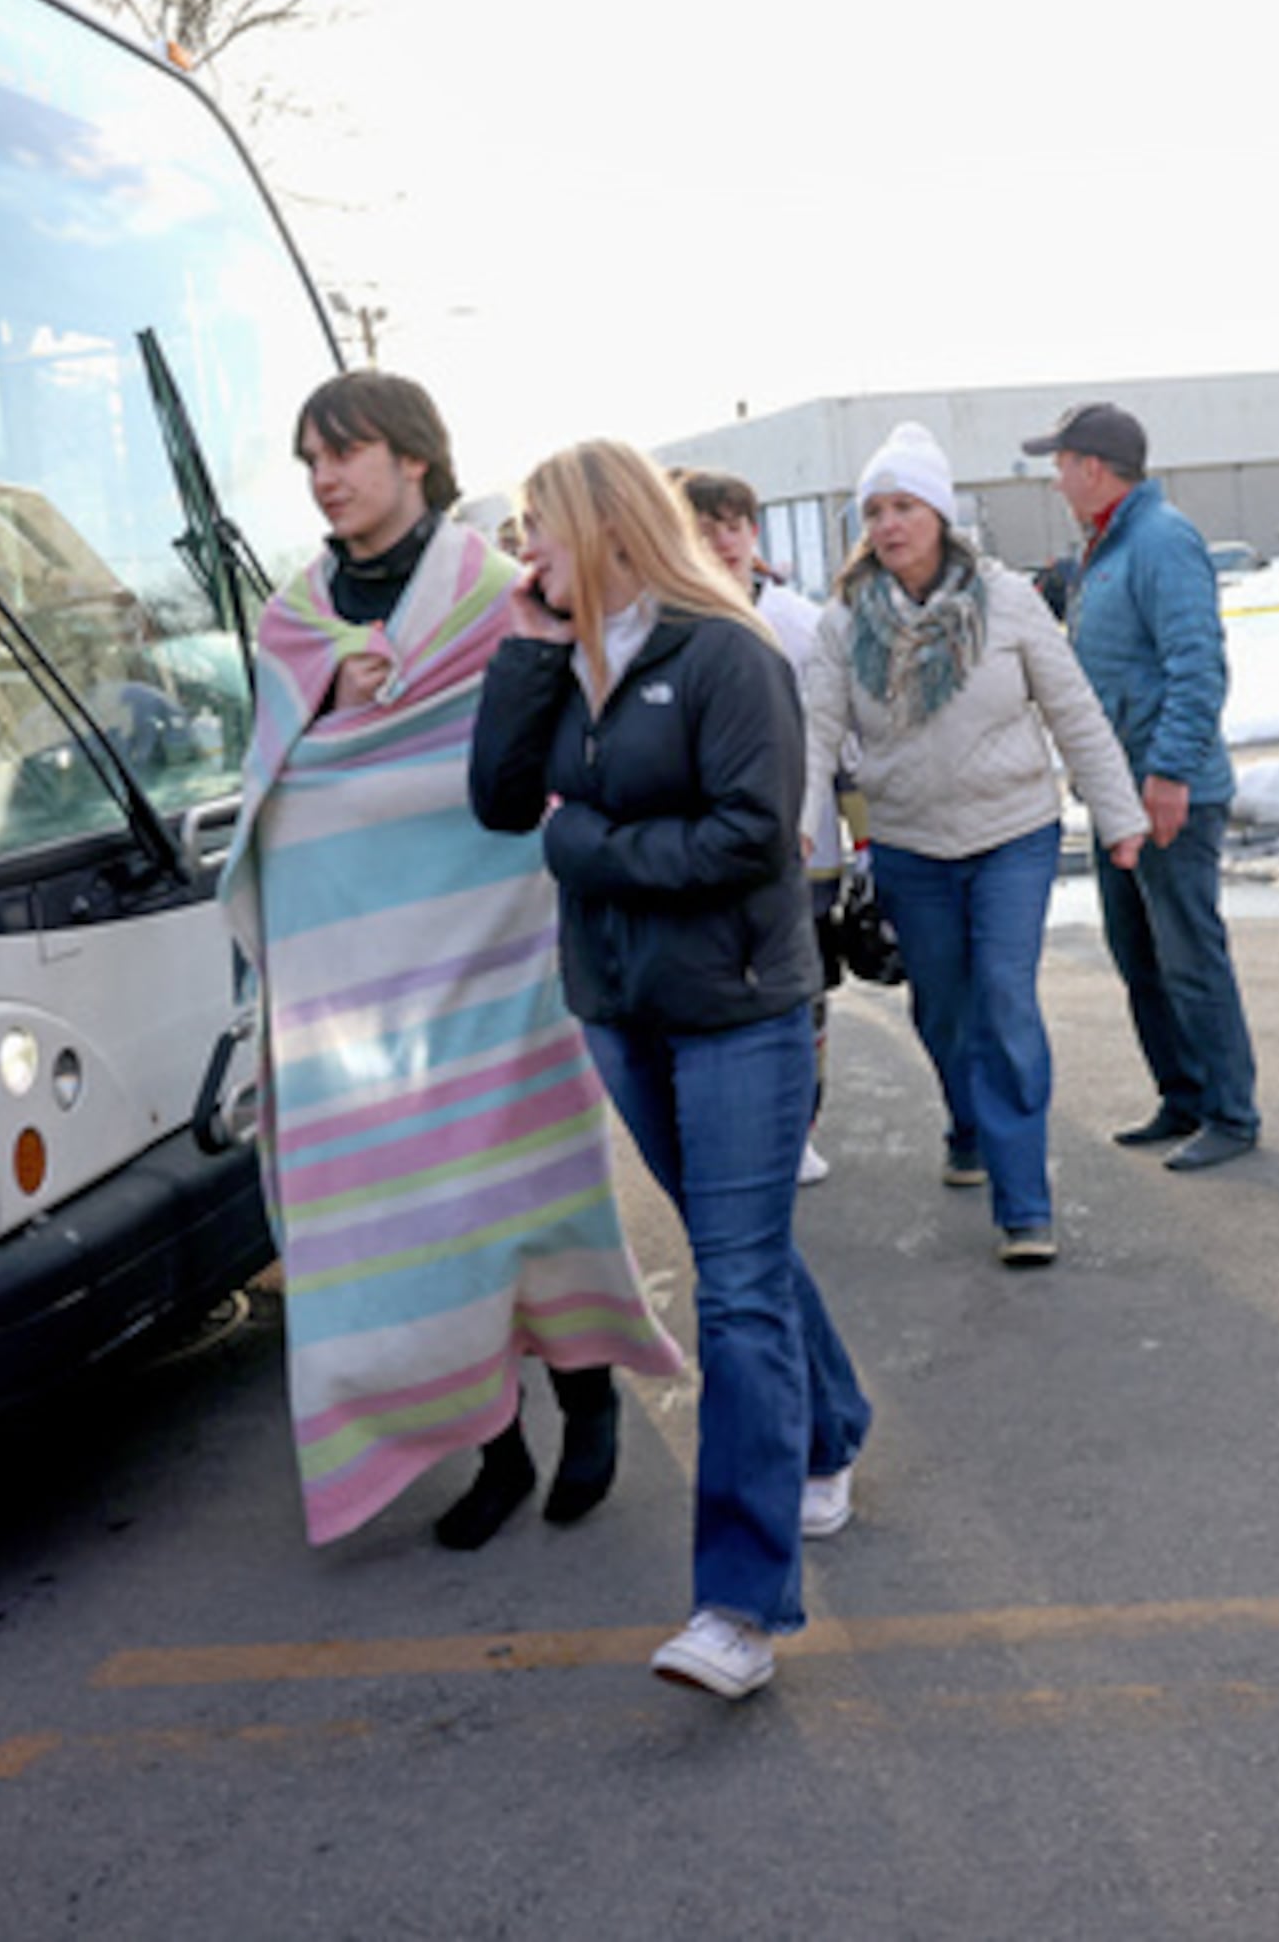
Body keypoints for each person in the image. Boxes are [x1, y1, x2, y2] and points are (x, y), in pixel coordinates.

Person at [222, 373, 682, 1554]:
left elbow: (567, 718)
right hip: (361, 983)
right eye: (310, 459)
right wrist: (330, 683)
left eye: (348, 452)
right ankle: (492, 1444)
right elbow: (275, 764)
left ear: (414, 457)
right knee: (407, 1214)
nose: (326, 478)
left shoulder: (499, 587)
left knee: (530, 1185)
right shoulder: (294, 615)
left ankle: (587, 1400)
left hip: (500, 956)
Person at [470, 440, 871, 1703]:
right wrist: (533, 644)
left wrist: (584, 844)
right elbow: (494, 799)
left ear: (602, 526)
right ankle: (834, 1425)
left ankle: (738, 1608)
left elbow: (756, 835)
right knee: (734, 1239)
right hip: (619, 1006)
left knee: (733, 1280)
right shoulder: (567, 653)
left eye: (537, 531)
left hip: (739, 1005)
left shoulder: (728, 652)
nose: (518, 554)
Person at [801, 424, 1147, 1265]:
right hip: (911, 843)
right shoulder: (845, 623)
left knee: (1004, 999)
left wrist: (1120, 814)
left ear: (940, 514)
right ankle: (966, 1121)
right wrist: (802, 840)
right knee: (944, 1007)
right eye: (875, 510)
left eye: (905, 506)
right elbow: (813, 737)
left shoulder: (1008, 601)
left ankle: (1024, 1201)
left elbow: (1074, 712)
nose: (888, 524)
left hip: (1012, 835)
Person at [1022, 402, 1263, 1171]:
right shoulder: (1104, 546)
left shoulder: (1161, 541)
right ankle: (1183, 1096)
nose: (1055, 481)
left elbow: (1199, 666)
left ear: (1093, 467)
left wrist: (1169, 774)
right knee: (1140, 956)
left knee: (1190, 956)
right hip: (1118, 794)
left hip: (1167, 793)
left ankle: (1230, 1113)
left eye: (1060, 465)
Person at [675, 467, 839, 1187]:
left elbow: (840, 738)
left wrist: (855, 841)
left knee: (802, 994)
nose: (721, 541)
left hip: (801, 846)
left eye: (733, 525)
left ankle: (797, 1127)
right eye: (703, 527)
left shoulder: (798, 622)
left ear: (754, 532)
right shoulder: (667, 620)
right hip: (708, 848)